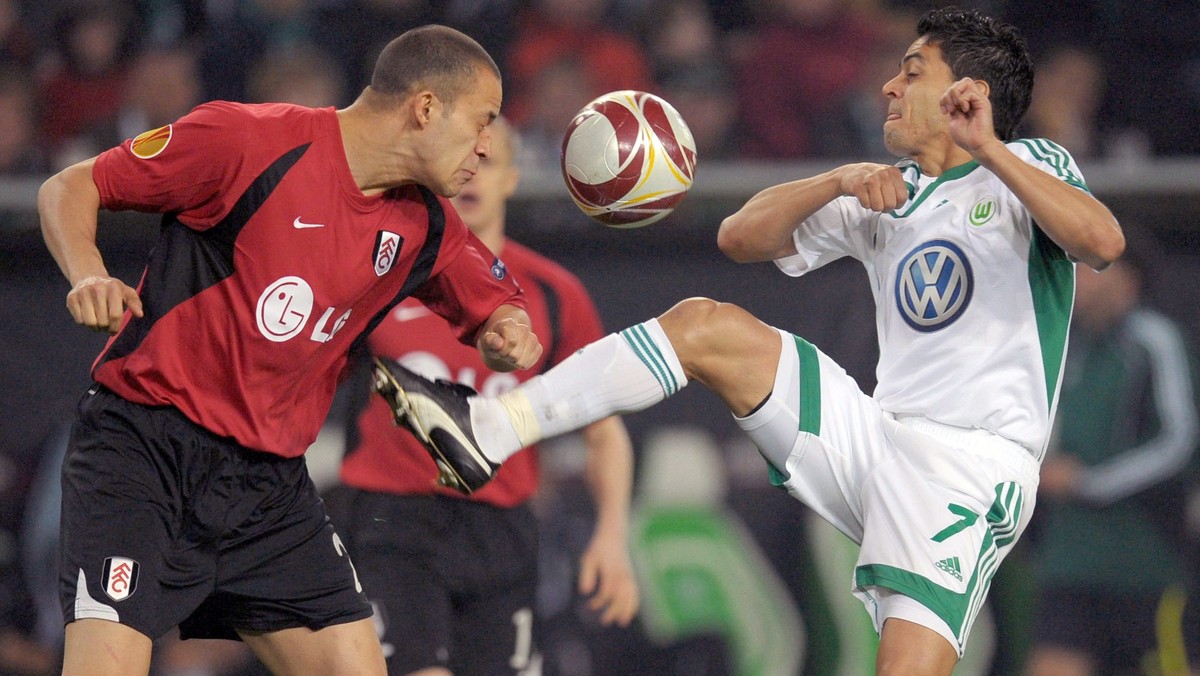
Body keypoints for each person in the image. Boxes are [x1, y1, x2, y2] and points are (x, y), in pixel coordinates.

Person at [371, 8, 1126, 675]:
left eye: (911, 71)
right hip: (876, 434)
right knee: (706, 325)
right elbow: (740, 237)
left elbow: (1101, 242)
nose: (890, 88)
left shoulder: (1027, 165)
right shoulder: (889, 192)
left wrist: (990, 149)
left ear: (968, 94)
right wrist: (836, 181)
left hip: (967, 464)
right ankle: (494, 427)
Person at [37, 24, 542, 676]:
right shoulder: (245, 140)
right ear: (424, 108)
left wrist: (508, 333)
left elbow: (497, 299)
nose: (485, 148)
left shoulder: (426, 223)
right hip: (143, 456)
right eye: (481, 123)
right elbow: (68, 187)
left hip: (268, 490)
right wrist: (87, 272)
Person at [335, 117, 639, 675]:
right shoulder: (381, 272)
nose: (473, 172)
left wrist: (613, 535)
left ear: (513, 179)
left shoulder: (552, 291)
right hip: (393, 520)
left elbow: (604, 431)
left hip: (501, 530)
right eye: (461, 159)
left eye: (488, 161)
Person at [1025, 245, 1200, 676]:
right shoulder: (1065, 346)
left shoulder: (1154, 339)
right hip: (1070, 561)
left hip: (1145, 561)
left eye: (1089, 268)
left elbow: (1179, 441)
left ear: (1127, 278)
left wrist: (1089, 481)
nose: (1077, 280)